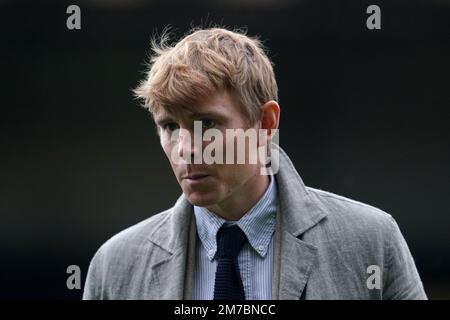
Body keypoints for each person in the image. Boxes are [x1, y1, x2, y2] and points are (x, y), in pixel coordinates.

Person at [83, 27, 427, 300]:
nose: (185, 149)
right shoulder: (115, 267)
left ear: (265, 123)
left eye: (208, 124)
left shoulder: (370, 241)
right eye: (169, 126)